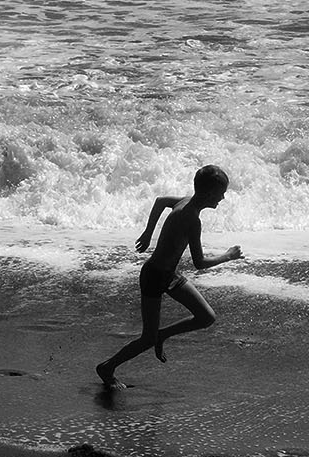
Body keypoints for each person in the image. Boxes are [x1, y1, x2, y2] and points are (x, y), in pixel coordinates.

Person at [96, 165, 243, 388]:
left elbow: (160, 201)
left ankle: (162, 335)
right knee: (147, 338)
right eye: (221, 193)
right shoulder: (192, 219)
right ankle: (107, 367)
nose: (223, 198)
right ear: (209, 193)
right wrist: (228, 256)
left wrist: (148, 233)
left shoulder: (186, 201)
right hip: (154, 277)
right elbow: (199, 263)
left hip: (169, 274)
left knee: (206, 317)